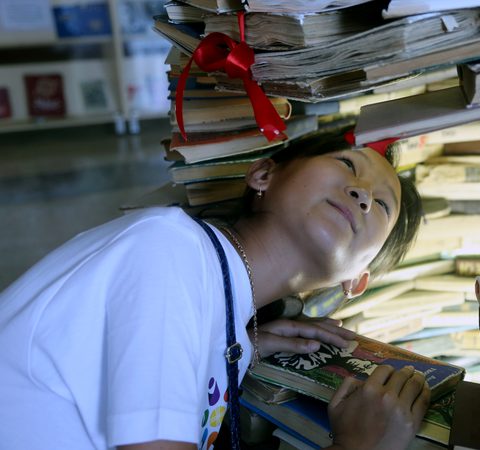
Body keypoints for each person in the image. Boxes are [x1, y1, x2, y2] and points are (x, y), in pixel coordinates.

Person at [0, 131, 428, 450]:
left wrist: (233, 349)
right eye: (346, 165)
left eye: (382, 205)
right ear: (264, 174)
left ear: (356, 279)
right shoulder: (168, 247)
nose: (361, 194)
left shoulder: (226, 328)